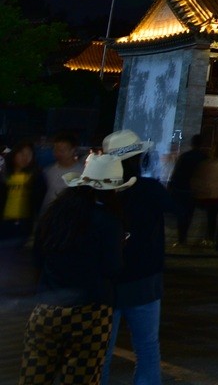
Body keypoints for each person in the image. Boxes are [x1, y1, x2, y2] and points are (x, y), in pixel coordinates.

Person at [20, 153, 129, 385]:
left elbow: (38, 256)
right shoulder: (108, 221)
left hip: (47, 307)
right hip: (90, 312)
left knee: (34, 376)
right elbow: (113, 267)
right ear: (112, 190)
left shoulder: (57, 213)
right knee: (81, 377)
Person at [99, 130, 166, 385]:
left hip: (106, 281)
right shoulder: (150, 189)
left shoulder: (100, 191)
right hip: (144, 279)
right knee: (147, 347)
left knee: (101, 350)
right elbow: (179, 208)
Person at [166, 136, 208, 250]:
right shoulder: (203, 157)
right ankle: (185, 238)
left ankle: (181, 239)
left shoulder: (185, 156)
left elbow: (176, 173)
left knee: (182, 214)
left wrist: (171, 187)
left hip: (182, 189)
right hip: (194, 191)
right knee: (189, 214)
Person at [2, 144, 45, 246]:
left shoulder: (36, 176)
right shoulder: (5, 174)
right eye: (21, 153)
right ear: (14, 154)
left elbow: (39, 200)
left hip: (24, 224)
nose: (25, 157)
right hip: (4, 222)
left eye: (29, 154)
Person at [39, 133, 83, 217]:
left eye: (62, 150)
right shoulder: (47, 171)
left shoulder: (83, 173)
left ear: (73, 150)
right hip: (47, 216)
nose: (58, 153)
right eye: (56, 150)